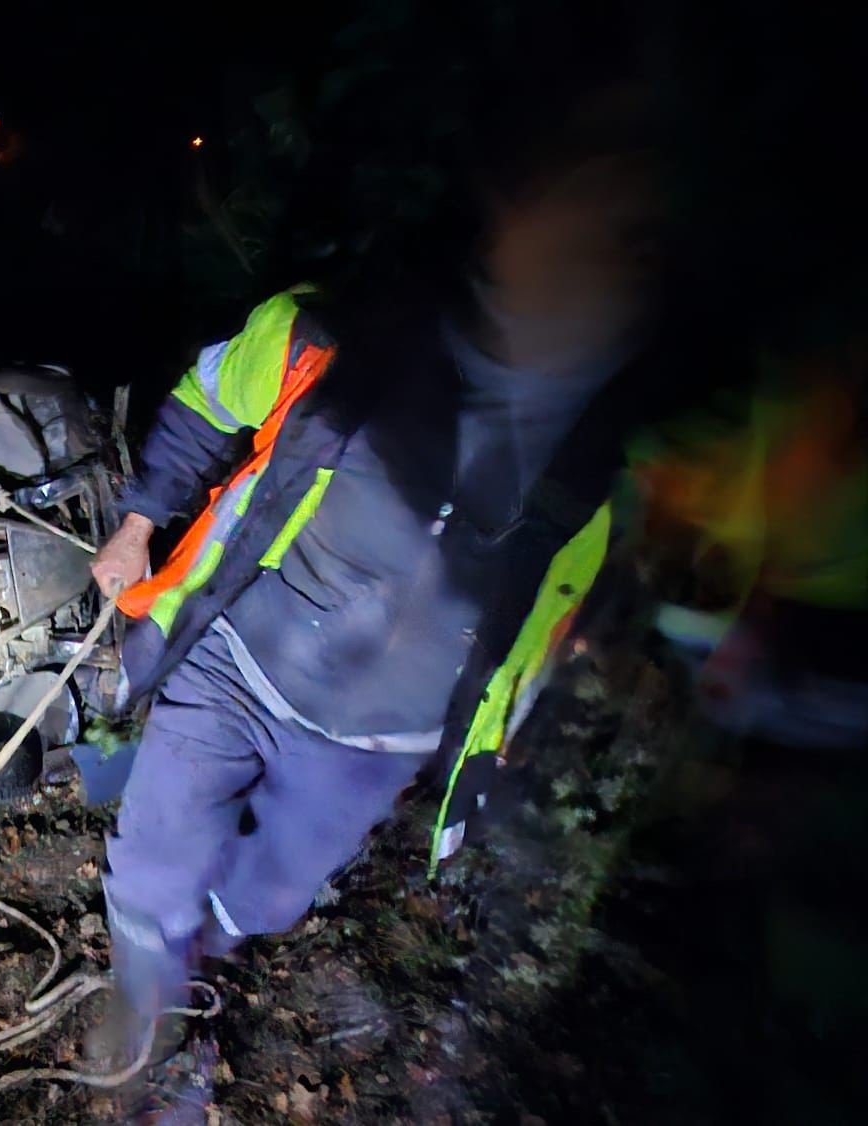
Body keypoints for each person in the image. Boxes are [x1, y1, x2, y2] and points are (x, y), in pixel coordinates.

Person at [86, 151, 664, 1063]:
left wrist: (515, 707)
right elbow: (204, 401)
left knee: (268, 899)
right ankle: (147, 1050)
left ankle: (201, 954)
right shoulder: (324, 333)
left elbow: (556, 608)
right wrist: (136, 525)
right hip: (238, 658)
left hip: (376, 740)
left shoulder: (592, 461)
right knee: (157, 861)